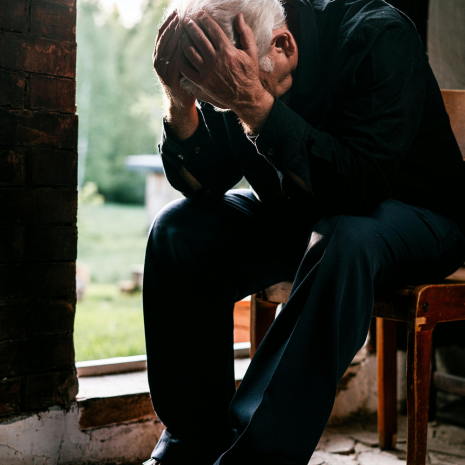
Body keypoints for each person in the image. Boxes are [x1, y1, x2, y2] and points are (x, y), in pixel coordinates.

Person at [142, 0, 465, 464]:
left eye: (227, 96)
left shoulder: (379, 36)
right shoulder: (232, 59)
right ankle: (190, 443)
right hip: (305, 215)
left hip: (418, 216)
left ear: (283, 45)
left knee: (344, 238)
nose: (225, 107)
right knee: (179, 231)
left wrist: (254, 105)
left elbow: (361, 188)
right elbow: (207, 181)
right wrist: (180, 102)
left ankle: (253, 456)